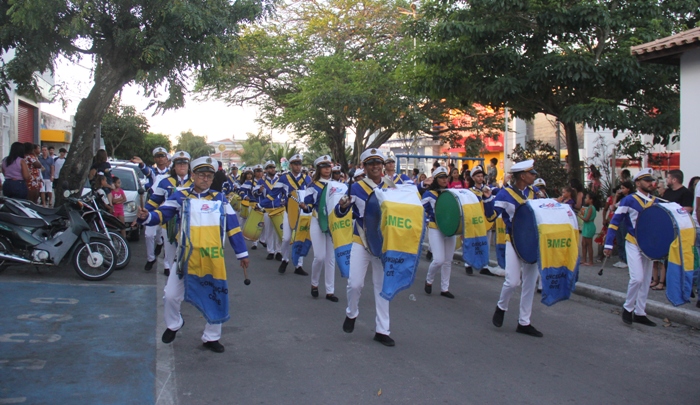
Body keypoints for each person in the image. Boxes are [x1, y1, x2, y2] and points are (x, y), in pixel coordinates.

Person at [137, 156, 249, 353]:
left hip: (212, 257)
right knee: (170, 295)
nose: (205, 179)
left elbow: (233, 227)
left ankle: (212, 337)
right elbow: (163, 213)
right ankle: (174, 323)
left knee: (215, 295)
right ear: (193, 175)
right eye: (201, 175)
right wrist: (148, 216)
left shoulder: (220, 199)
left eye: (209, 176)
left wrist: (242, 254)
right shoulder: (180, 196)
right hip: (185, 257)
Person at [337, 148, 395, 346]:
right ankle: (351, 313)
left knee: (382, 286)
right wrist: (343, 206)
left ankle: (382, 330)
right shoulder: (356, 187)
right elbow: (339, 212)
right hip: (361, 239)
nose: (375, 167)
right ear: (364, 166)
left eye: (378, 163)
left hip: (383, 242)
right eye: (371, 164)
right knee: (355, 284)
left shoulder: (392, 186)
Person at [491, 159, 545, 338]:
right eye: (531, 173)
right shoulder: (504, 194)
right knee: (513, 281)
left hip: (532, 241)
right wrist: (487, 199)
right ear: (522, 176)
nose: (534, 176)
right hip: (513, 240)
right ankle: (501, 306)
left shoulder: (535, 192)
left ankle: (524, 322)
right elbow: (491, 216)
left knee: (530, 282)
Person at [604, 168, 659, 327]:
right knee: (637, 278)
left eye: (651, 180)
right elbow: (615, 222)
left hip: (648, 245)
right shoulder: (629, 200)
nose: (650, 183)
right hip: (633, 241)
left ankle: (640, 312)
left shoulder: (655, 201)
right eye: (646, 181)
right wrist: (609, 243)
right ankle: (628, 308)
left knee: (646, 279)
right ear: (638, 183)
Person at [145, 151, 193, 276]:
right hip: (169, 224)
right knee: (171, 257)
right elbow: (154, 201)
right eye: (179, 163)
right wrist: (144, 213)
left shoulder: (195, 183)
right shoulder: (165, 182)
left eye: (184, 163)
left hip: (191, 225)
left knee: (190, 257)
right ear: (174, 166)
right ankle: (172, 280)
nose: (182, 166)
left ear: (188, 166)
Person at [302, 155, 338, 301]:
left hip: (332, 223)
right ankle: (314, 284)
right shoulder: (313, 186)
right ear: (318, 169)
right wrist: (305, 206)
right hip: (317, 221)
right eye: (324, 167)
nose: (327, 169)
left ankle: (330, 291)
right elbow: (308, 205)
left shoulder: (337, 185)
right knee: (319, 256)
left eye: (328, 166)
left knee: (330, 258)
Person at [269, 154, 311, 275]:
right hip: (289, 211)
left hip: (303, 213)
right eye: (295, 164)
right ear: (291, 165)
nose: (298, 166)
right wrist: (263, 204)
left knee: (300, 238)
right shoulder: (283, 178)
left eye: (299, 164)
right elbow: (273, 193)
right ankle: (285, 259)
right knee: (286, 238)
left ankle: (298, 265)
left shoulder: (307, 178)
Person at [132, 147, 171, 270]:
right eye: (158, 156)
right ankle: (150, 258)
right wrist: (141, 164)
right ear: (155, 159)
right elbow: (147, 171)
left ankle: (167, 265)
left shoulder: (172, 173)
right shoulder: (153, 172)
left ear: (166, 158)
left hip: (167, 208)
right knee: (149, 235)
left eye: (163, 156)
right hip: (153, 207)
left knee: (165, 236)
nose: (161, 159)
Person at [422, 167, 457, 298]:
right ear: (436, 179)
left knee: (448, 261)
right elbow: (420, 210)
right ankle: (429, 280)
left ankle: (444, 289)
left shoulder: (450, 193)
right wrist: (426, 220)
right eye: (441, 177)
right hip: (435, 228)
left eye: (445, 177)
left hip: (450, 229)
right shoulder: (429, 194)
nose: (444, 180)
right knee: (438, 260)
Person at [466, 165, 496, 276]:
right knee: (472, 243)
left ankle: (485, 266)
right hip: (474, 221)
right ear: (473, 178)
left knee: (485, 244)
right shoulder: (470, 191)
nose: (480, 178)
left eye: (481, 176)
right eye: (478, 176)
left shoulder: (488, 189)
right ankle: (468, 264)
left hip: (486, 221)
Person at [259, 160, 281, 260]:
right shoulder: (261, 181)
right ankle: (270, 251)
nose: (272, 169)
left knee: (279, 231)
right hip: (267, 209)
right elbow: (255, 194)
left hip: (278, 208)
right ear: (266, 169)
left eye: (273, 167)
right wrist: (259, 191)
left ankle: (279, 251)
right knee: (269, 231)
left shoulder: (280, 180)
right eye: (270, 168)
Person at [579, 191, 598, 266]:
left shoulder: (591, 208)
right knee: (583, 244)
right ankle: (584, 259)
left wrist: (579, 216)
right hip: (586, 226)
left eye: (586, 198)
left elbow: (586, 219)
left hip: (589, 226)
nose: (585, 199)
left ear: (591, 200)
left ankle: (590, 261)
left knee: (589, 244)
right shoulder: (588, 208)